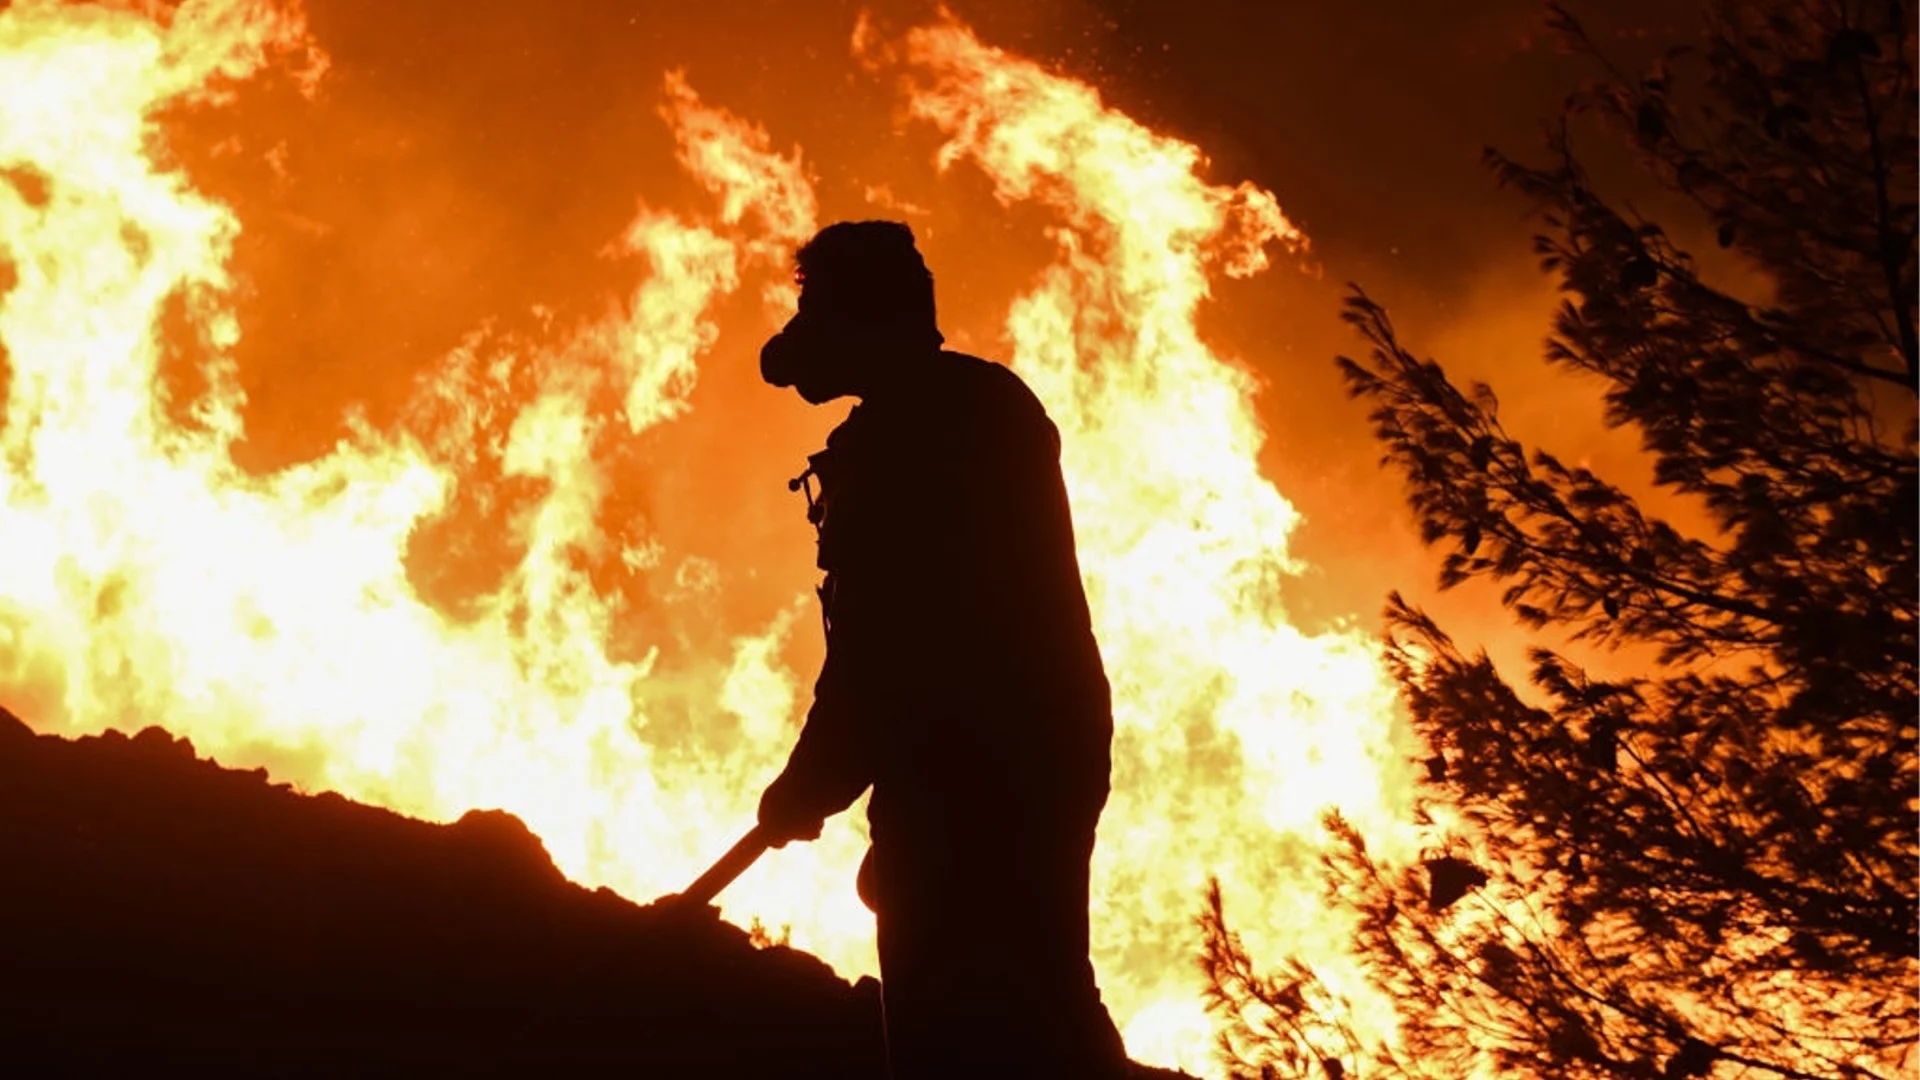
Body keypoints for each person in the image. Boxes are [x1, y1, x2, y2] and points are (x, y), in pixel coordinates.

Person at [755, 220, 1129, 1078]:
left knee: (943, 1021)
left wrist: (807, 787)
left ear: (863, 319)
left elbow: (886, 652)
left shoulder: (903, 442)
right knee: (1046, 993)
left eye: (818, 310)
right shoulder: (988, 404)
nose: (804, 333)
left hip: (968, 766)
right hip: (1044, 749)